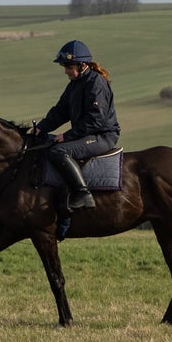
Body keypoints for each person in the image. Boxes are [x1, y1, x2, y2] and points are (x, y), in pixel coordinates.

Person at [30, 39, 120, 213]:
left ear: (82, 65)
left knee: (59, 151)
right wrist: (41, 128)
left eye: (68, 67)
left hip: (103, 136)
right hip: (86, 134)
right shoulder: (74, 84)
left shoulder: (96, 83)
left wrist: (68, 136)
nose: (65, 71)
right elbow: (60, 111)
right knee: (47, 144)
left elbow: (96, 120)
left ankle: (83, 193)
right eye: (65, 67)